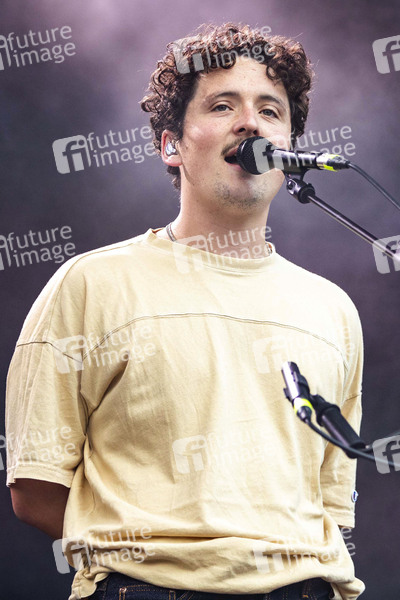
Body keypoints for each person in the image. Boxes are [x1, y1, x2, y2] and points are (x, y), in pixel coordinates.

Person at [6, 23, 365, 600]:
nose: (250, 123)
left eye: (270, 110)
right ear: (171, 145)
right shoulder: (91, 284)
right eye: (223, 106)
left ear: (288, 147)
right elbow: (36, 487)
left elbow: (332, 499)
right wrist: (167, 563)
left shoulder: (333, 308)